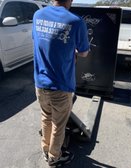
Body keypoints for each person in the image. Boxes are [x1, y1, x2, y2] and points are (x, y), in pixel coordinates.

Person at [32, 0, 89, 167]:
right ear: (70, 0)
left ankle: (45, 149)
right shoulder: (76, 21)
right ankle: (54, 157)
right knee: (58, 124)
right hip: (61, 85)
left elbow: (39, 41)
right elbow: (84, 52)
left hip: (40, 82)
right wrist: (74, 50)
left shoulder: (37, 15)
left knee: (46, 117)